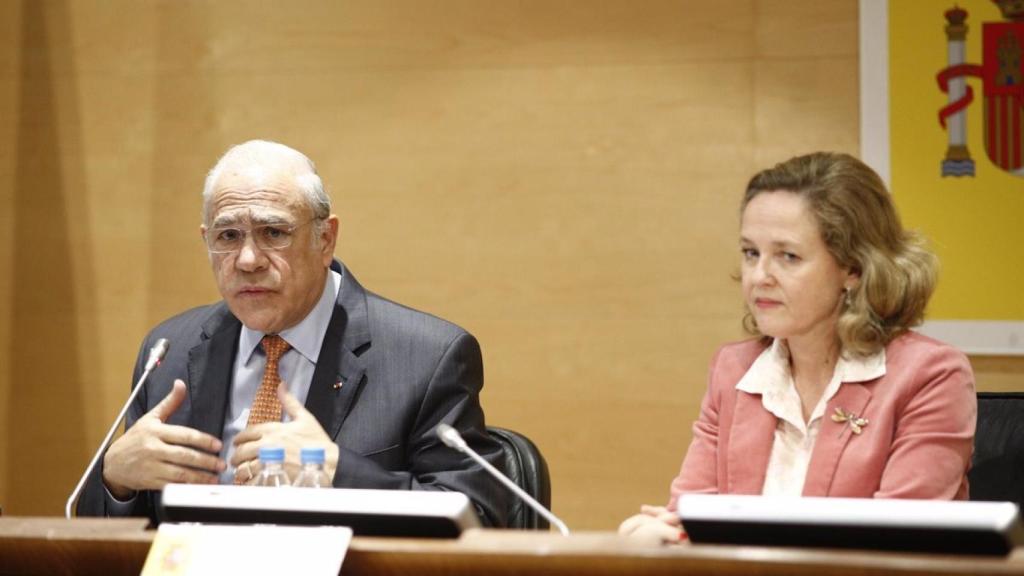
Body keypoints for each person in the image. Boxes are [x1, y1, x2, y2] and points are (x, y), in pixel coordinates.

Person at [77, 139, 507, 526]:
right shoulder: (169, 350)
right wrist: (116, 480)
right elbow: (101, 534)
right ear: (207, 241)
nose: (247, 259)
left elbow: (482, 519)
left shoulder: (426, 358)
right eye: (228, 235)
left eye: (273, 232)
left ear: (326, 239)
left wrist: (336, 473)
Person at [620, 152, 976, 543]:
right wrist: (659, 537)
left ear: (853, 268)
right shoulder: (735, 369)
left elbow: (896, 545)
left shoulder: (930, 375)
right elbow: (692, 519)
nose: (759, 277)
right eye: (751, 253)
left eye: (787, 256)